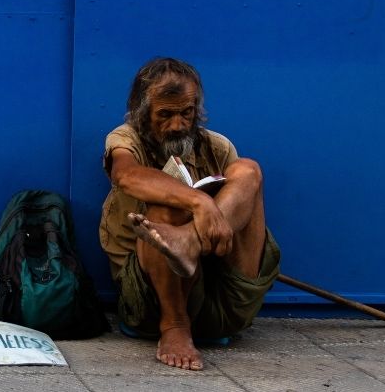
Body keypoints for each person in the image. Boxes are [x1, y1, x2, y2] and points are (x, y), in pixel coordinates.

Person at [99, 57, 280, 370]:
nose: (178, 124)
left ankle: (186, 241)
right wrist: (199, 202)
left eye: (187, 112)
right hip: (152, 304)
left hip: (222, 299)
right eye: (165, 115)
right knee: (164, 206)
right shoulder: (126, 138)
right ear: (143, 115)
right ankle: (175, 327)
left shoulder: (217, 147)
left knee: (249, 170)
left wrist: (197, 231)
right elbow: (125, 175)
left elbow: (238, 216)